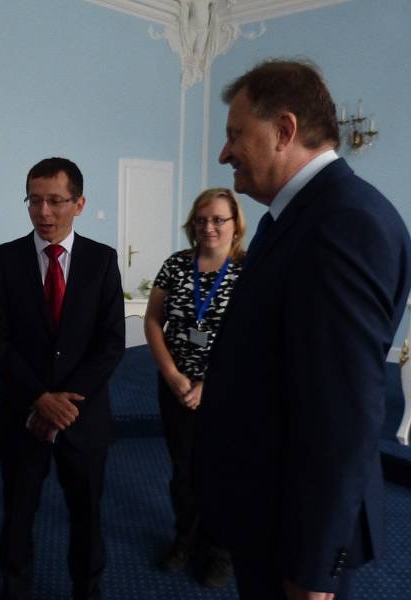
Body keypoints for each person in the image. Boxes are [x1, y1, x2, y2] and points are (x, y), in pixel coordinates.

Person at [195, 59, 411, 600]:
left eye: (235, 135)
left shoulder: (344, 223)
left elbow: (345, 414)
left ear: (284, 131)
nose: (224, 153)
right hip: (270, 506)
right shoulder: (295, 218)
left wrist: (314, 573)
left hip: (297, 535)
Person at [0, 157, 125, 600]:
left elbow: (111, 343)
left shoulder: (102, 261)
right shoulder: (2, 260)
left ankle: (88, 590)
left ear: (78, 203)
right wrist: (40, 397)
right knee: (18, 515)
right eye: (35, 200)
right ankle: (15, 590)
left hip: (84, 419)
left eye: (55, 201)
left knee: (87, 516)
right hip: (21, 415)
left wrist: (62, 404)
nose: (44, 212)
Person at [144, 188, 245, 587]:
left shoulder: (247, 271)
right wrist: (172, 375)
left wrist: (208, 383)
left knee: (223, 471)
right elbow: (153, 322)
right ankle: (185, 538)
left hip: (226, 392)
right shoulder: (175, 265)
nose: (209, 226)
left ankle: (220, 549)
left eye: (219, 219)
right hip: (175, 386)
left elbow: (249, 338)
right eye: (202, 219)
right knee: (183, 471)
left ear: (235, 224)